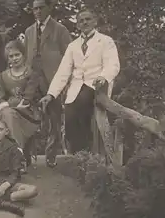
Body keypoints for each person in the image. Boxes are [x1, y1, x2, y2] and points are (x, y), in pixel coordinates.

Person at [41, 8, 120, 154]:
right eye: (81, 21)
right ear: (77, 25)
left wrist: (103, 77)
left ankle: (89, 152)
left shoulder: (105, 41)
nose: (84, 22)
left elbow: (113, 65)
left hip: (96, 86)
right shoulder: (73, 46)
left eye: (88, 19)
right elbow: (63, 72)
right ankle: (78, 155)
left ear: (95, 21)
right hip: (76, 89)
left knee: (83, 106)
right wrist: (51, 94)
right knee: (70, 117)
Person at [20, 0, 73, 167]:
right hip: (32, 81)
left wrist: (65, 82)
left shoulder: (60, 30)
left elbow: (69, 56)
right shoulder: (29, 31)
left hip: (53, 81)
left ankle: (51, 155)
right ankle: (26, 156)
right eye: (35, 8)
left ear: (49, 8)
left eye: (41, 7)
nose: (37, 11)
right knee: (27, 117)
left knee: (54, 120)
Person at [0, 40, 41, 152]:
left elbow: (27, 98)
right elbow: (0, 97)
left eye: (17, 54)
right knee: (2, 117)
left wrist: (6, 104)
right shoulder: (3, 76)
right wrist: (9, 105)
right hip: (9, 112)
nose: (15, 58)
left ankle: (16, 152)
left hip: (28, 114)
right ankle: (13, 152)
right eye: (11, 56)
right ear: (8, 59)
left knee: (7, 113)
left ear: (23, 55)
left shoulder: (32, 74)